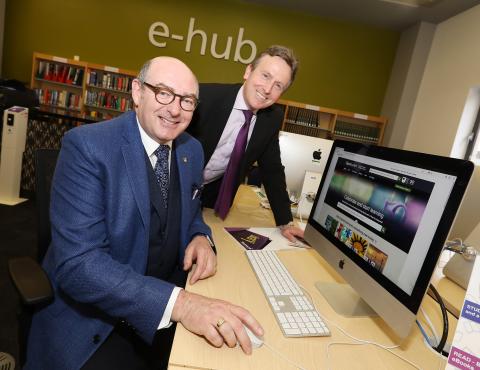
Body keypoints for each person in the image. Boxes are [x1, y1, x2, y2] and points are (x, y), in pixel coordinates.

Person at [25, 56, 263, 370]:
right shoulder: (86, 147)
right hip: (98, 321)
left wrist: (200, 237)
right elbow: (79, 266)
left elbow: (192, 213)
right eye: (163, 93)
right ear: (138, 92)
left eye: (187, 101)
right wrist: (181, 304)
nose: (175, 109)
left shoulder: (191, 150)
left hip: (162, 305)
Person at [188, 45, 304, 242]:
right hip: (174, 188)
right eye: (265, 76)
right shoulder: (204, 97)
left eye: (278, 86)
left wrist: (285, 221)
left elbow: (272, 169)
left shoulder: (272, 118)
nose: (267, 90)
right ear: (248, 71)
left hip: (209, 202)